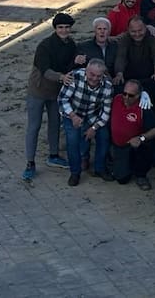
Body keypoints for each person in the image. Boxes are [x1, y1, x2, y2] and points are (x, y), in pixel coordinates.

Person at [23, 12, 86, 180]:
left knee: (55, 123)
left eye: (67, 27)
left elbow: (70, 66)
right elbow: (45, 70)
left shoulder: (71, 45)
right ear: (55, 29)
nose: (64, 30)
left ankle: (53, 155)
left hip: (56, 91)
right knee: (34, 126)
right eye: (60, 27)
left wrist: (76, 62)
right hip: (38, 91)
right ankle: (30, 162)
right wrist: (61, 77)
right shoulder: (44, 46)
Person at [58, 59, 114, 186]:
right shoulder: (74, 76)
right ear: (86, 71)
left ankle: (100, 168)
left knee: (104, 137)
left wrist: (94, 128)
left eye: (98, 76)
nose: (94, 79)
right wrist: (73, 116)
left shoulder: (108, 86)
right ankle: (75, 172)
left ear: (103, 74)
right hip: (72, 113)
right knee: (72, 141)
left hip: (93, 116)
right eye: (92, 74)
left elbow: (106, 112)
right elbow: (62, 100)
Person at [109, 79, 155, 190]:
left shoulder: (143, 107)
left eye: (131, 95)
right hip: (119, 145)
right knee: (122, 179)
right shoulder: (116, 98)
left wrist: (141, 138)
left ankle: (141, 175)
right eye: (124, 93)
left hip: (135, 145)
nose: (126, 97)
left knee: (145, 148)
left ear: (139, 95)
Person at [113, 16, 155, 87]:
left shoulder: (153, 35)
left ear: (145, 27)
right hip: (130, 77)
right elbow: (121, 57)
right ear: (128, 30)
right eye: (133, 31)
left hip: (149, 76)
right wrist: (119, 74)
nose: (137, 34)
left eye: (140, 30)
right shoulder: (124, 38)